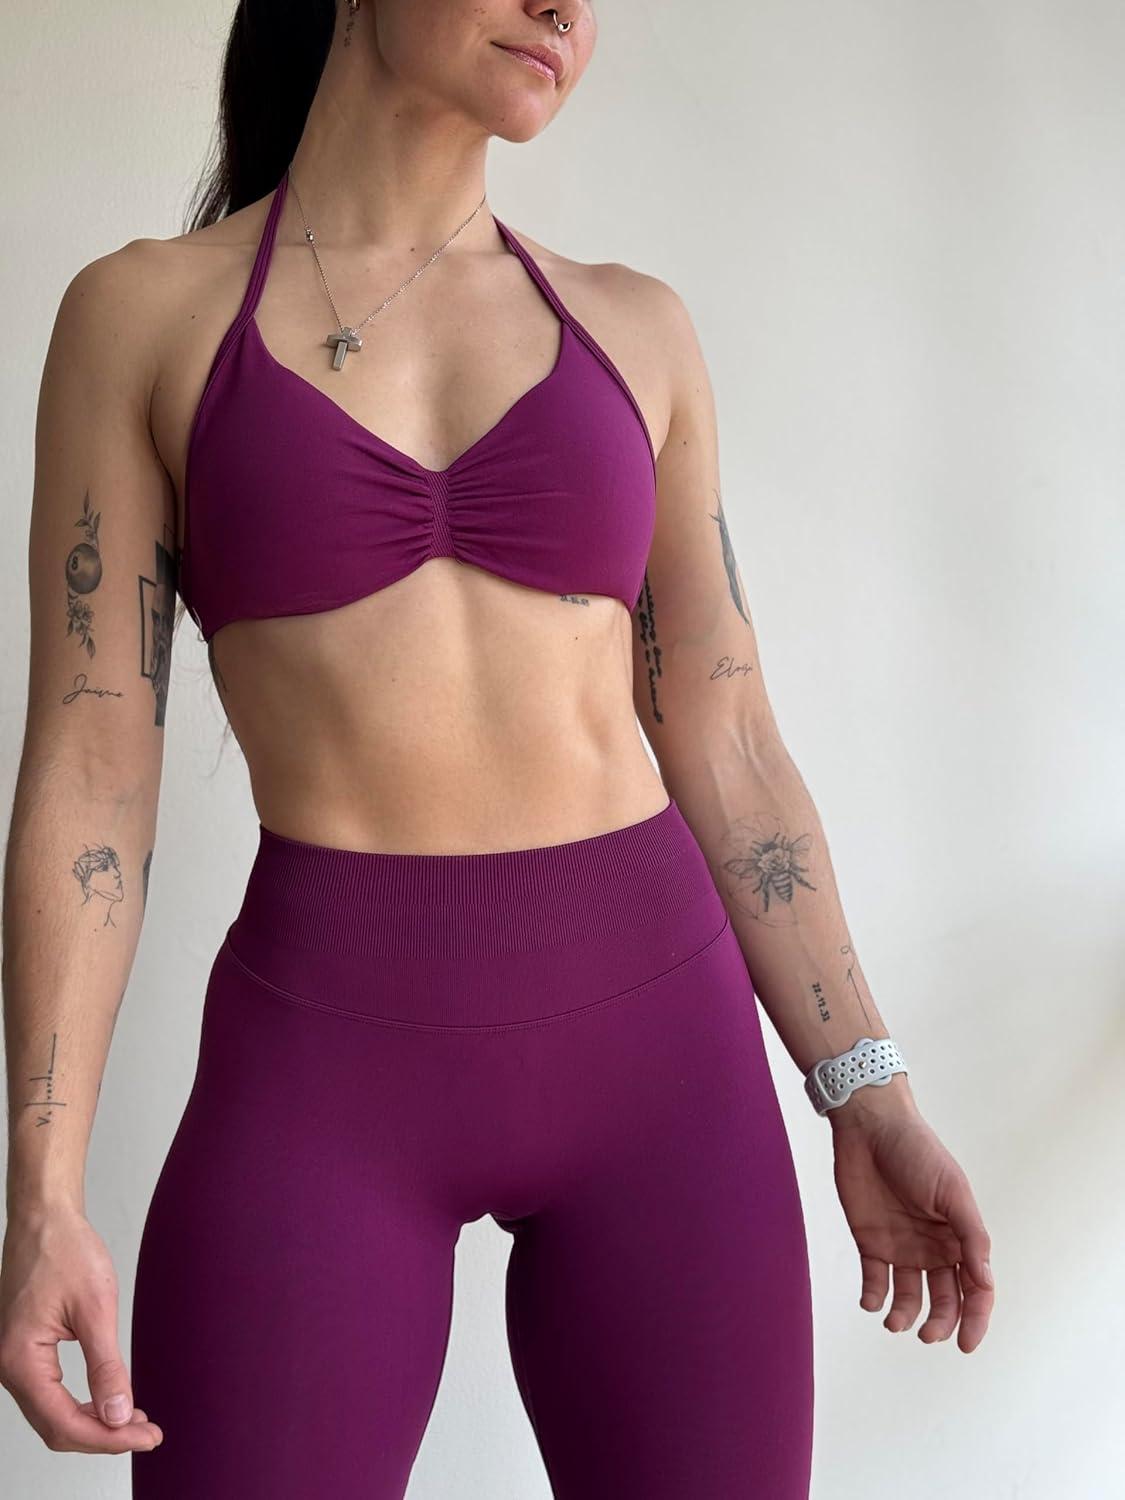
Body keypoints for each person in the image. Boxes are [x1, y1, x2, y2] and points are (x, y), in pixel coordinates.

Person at [0, 2, 995, 1496]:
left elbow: (727, 735)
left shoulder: (635, 328)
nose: (563, 11)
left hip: (662, 1061)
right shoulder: (143, 316)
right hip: (323, 1062)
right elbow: (91, 770)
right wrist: (43, 1193)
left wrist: (869, 1089)